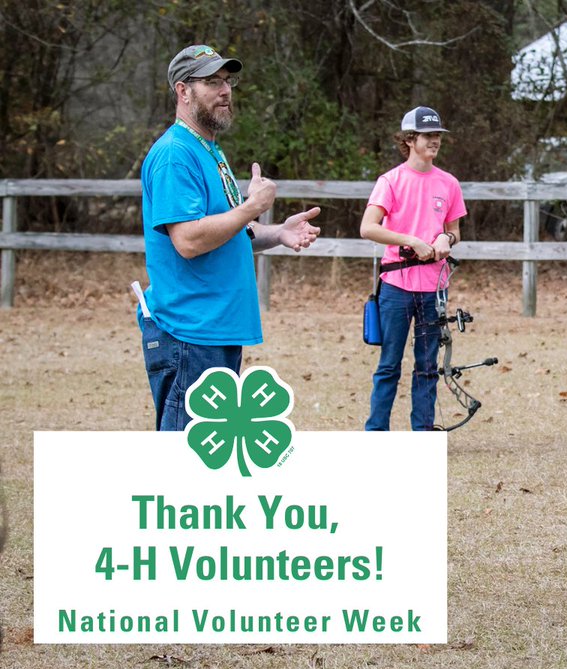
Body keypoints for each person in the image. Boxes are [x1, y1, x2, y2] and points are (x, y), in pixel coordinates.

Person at [140, 45, 321, 431]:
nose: (225, 90)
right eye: (211, 82)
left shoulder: (209, 149)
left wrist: (278, 232)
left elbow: (225, 229)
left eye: (227, 81)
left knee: (210, 460)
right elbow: (188, 240)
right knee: (185, 461)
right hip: (189, 330)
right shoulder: (176, 154)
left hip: (216, 327)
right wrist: (251, 206)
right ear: (182, 91)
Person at [362, 106, 467, 431]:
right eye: (428, 135)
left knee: (426, 365)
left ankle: (422, 432)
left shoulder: (449, 183)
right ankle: (376, 431)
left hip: (434, 287)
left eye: (437, 135)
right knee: (389, 363)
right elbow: (368, 227)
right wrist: (411, 240)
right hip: (396, 286)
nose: (435, 141)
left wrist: (445, 238)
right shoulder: (391, 180)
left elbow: (455, 232)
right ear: (410, 139)